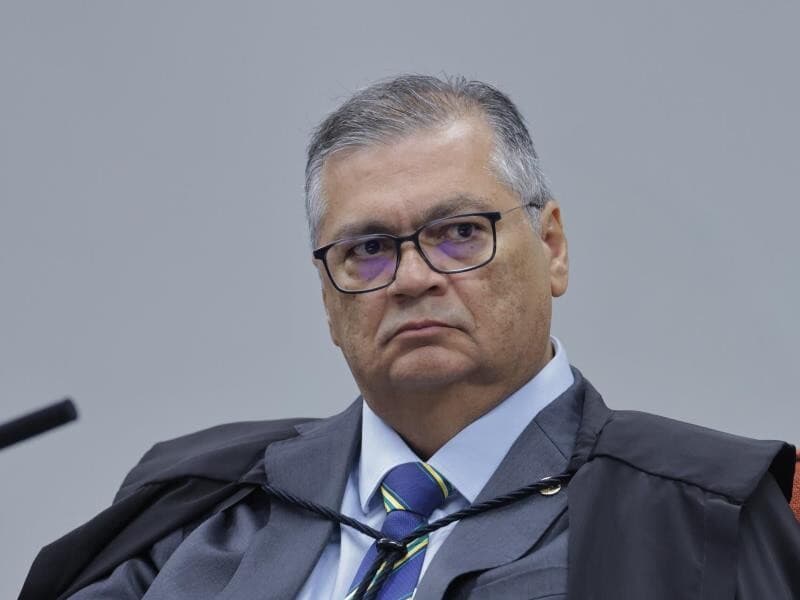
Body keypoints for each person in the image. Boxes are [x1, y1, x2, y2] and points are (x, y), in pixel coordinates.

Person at [21, 74, 800, 600]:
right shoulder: (204, 503)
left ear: (553, 247)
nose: (412, 278)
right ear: (326, 294)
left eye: (459, 233)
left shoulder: (700, 513)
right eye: (368, 249)